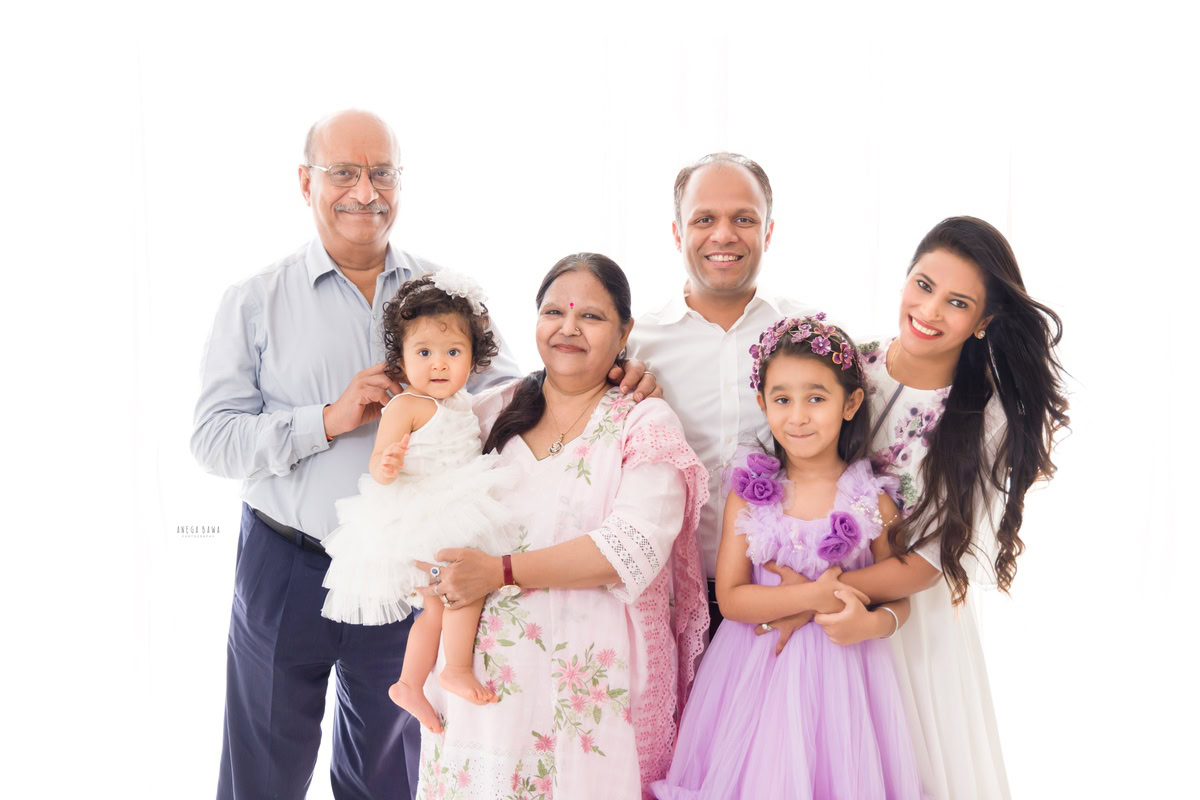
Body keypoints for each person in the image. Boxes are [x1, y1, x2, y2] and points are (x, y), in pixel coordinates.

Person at [192, 110, 656, 799]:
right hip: (286, 566)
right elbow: (213, 439)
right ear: (304, 181)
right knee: (261, 767)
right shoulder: (254, 301)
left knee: (389, 769)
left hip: (411, 572)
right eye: (343, 172)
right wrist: (326, 420)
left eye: (382, 172)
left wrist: (613, 369)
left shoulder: (444, 293)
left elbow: (505, 395)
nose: (364, 190)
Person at [758, 217, 1069, 799]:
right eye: (923, 286)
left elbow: (929, 561)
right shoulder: (852, 367)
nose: (929, 311)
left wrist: (814, 598)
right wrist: (802, 598)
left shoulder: (987, 418)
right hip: (809, 616)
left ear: (984, 322)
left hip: (907, 630)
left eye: (956, 302)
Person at [409, 254, 709, 799]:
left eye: (591, 317)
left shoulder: (644, 423)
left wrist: (498, 572)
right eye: (553, 312)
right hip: (481, 693)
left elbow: (631, 549)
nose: (568, 328)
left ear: (625, 332)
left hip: (587, 699)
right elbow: (427, 500)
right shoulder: (489, 412)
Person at [652, 315, 928, 799]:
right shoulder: (750, 495)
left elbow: (899, 595)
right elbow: (733, 599)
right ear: (762, 403)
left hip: (845, 683)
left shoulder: (874, 502)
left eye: (816, 399)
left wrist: (872, 624)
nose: (797, 416)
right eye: (782, 400)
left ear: (851, 403)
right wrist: (814, 594)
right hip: (752, 675)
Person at [627, 152, 823, 632]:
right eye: (704, 219)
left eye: (743, 219)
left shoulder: (808, 334)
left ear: (768, 232)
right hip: (666, 599)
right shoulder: (636, 345)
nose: (723, 235)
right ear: (677, 233)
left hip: (779, 595)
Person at [318, 271, 518, 725]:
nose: (439, 364)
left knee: (436, 603)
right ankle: (456, 670)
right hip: (423, 518)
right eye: (424, 353)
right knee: (459, 594)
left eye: (453, 352)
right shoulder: (406, 405)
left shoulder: (465, 402)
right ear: (402, 359)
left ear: (474, 357)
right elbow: (376, 463)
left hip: (455, 509)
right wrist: (386, 466)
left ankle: (409, 684)